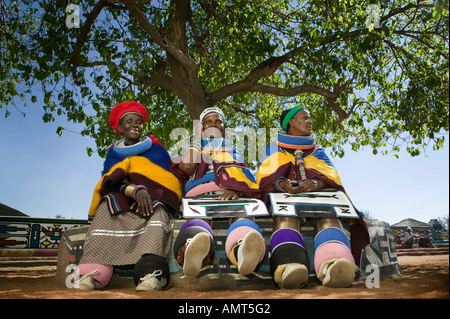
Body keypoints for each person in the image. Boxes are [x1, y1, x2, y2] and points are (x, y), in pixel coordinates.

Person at [256, 106, 370, 289]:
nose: (310, 122)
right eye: (305, 118)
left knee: (328, 217)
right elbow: (264, 177)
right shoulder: (272, 148)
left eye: (309, 119)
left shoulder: (317, 151)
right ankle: (288, 266)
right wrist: (282, 184)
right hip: (284, 199)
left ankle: (334, 264)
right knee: (286, 217)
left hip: (317, 199)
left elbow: (331, 176)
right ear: (291, 122)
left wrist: (318, 184)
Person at [75, 101, 182, 291]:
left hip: (155, 196)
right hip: (125, 193)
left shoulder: (156, 148)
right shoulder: (113, 153)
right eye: (129, 121)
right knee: (108, 203)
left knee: (158, 208)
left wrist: (147, 191)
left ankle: (151, 273)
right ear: (121, 129)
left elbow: (167, 178)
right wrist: (132, 189)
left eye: (138, 121)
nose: (135, 124)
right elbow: (109, 179)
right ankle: (94, 272)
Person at [170, 107, 265, 277]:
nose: (214, 125)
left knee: (242, 214)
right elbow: (187, 167)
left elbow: (245, 178)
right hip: (198, 195)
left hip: (229, 195)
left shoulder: (234, 151)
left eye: (218, 122)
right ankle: (191, 250)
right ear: (202, 127)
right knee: (199, 217)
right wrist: (197, 140)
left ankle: (242, 250)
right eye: (209, 122)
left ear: (223, 127)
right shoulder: (193, 149)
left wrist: (236, 189)